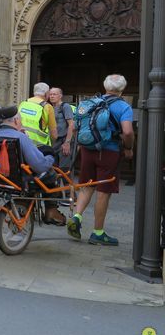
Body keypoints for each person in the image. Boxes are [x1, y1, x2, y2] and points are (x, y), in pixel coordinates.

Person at [67, 74, 134, 246]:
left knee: (86, 185)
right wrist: (128, 148)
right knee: (104, 191)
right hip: (109, 151)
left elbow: (74, 127)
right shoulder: (123, 106)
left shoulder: (90, 102)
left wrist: (83, 142)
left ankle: (76, 216)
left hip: (88, 150)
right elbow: (127, 132)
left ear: (105, 86)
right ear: (122, 89)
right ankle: (98, 233)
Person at [0, 106, 66, 225]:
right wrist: (50, 158)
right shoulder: (21, 138)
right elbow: (40, 166)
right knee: (51, 173)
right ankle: (51, 211)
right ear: (16, 121)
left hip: (0, 178)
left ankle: (26, 206)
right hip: (22, 180)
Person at [18, 82, 57, 147]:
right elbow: (54, 134)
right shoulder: (47, 107)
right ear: (46, 94)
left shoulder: (23, 103)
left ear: (34, 92)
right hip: (39, 148)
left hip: (21, 144)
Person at [48, 87, 74, 172]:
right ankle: (57, 185)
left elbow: (71, 125)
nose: (52, 96)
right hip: (54, 142)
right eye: (50, 94)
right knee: (53, 168)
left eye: (54, 94)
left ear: (60, 96)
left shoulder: (65, 106)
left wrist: (67, 143)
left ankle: (68, 185)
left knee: (64, 169)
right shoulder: (49, 107)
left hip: (63, 141)